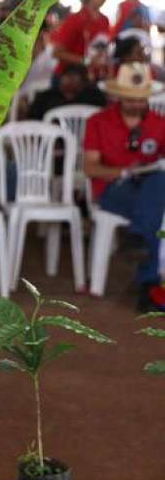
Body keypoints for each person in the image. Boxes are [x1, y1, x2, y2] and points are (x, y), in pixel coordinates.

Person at [82, 63, 165, 311]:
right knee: (156, 204)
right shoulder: (98, 122)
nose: (136, 104)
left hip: (150, 187)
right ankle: (149, 286)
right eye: (130, 98)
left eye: (141, 99)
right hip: (112, 188)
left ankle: (137, 237)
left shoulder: (159, 123)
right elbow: (90, 168)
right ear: (118, 96)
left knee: (158, 185)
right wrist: (125, 171)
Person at [51, 0, 111, 75]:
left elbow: (103, 49)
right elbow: (57, 52)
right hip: (69, 79)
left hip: (92, 77)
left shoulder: (105, 20)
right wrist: (87, 61)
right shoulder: (75, 19)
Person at [27, 63, 106, 121]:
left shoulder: (94, 98)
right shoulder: (44, 98)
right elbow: (31, 125)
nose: (70, 81)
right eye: (68, 76)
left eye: (75, 78)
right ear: (60, 79)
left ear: (84, 84)